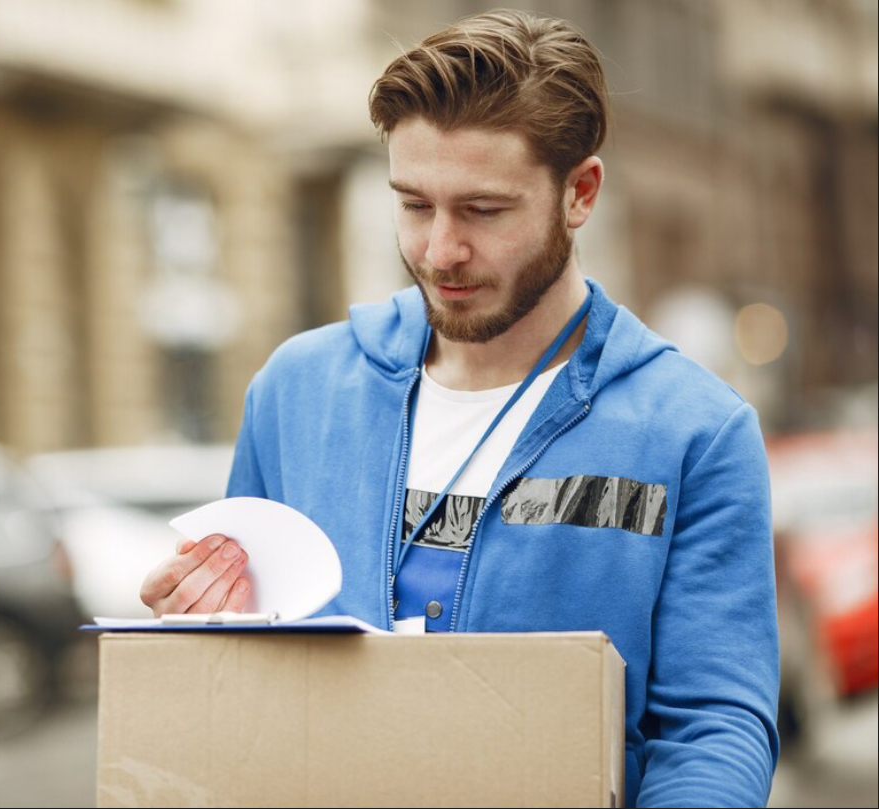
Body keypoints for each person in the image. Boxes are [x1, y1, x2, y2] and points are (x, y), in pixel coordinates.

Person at [139, 9, 779, 807]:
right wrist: (199, 632)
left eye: (483, 210)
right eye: (414, 205)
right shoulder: (296, 392)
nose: (441, 251)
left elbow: (713, 726)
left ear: (579, 193)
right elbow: (243, 687)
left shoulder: (694, 431)